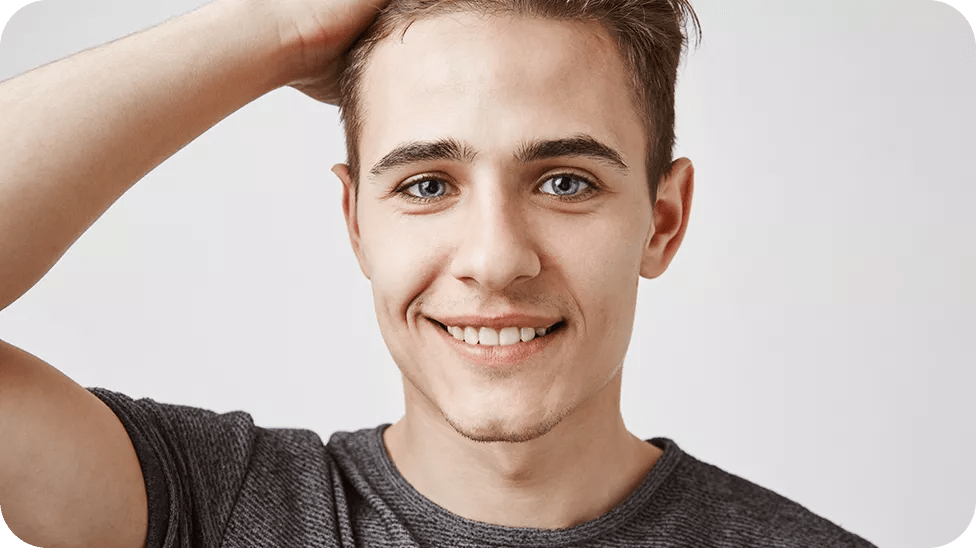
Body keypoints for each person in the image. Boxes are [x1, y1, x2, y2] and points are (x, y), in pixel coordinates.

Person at [0, 0, 880, 546]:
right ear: (355, 222)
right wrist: (278, 25)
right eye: (428, 185)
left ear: (663, 219)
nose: (495, 260)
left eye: (565, 182)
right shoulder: (217, 511)